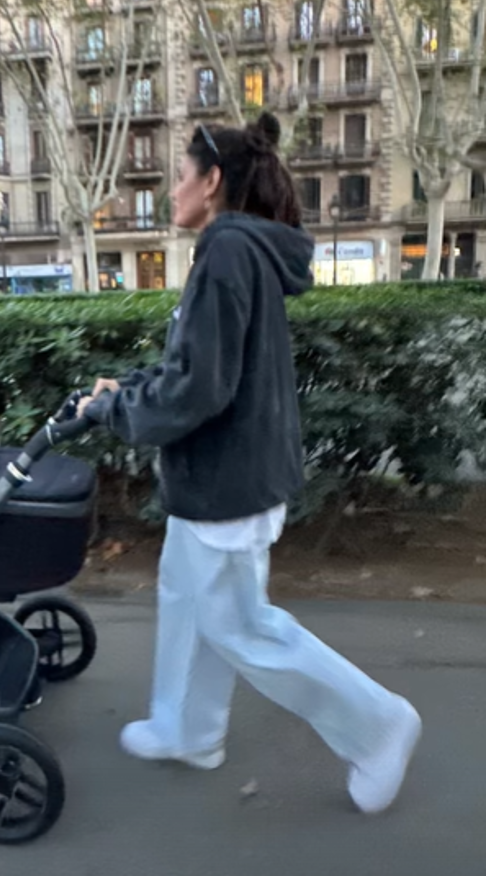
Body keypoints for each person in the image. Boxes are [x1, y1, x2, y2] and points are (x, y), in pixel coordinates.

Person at [77, 112, 421, 814]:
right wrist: (130, 389)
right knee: (185, 593)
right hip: (223, 478)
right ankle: (189, 729)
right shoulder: (238, 251)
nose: (169, 191)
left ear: (212, 182)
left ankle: (379, 725)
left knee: (242, 627)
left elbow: (200, 389)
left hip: (226, 484)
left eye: (178, 177)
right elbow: (197, 368)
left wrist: (114, 411)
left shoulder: (227, 252)